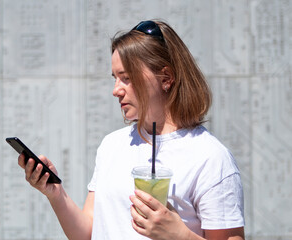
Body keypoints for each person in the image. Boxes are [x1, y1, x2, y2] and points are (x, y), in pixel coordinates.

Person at [18, 20, 245, 240]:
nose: (116, 90)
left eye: (126, 78)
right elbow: (89, 233)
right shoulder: (112, 145)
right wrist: (56, 195)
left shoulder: (210, 157)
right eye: (115, 78)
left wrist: (180, 236)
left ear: (166, 78)